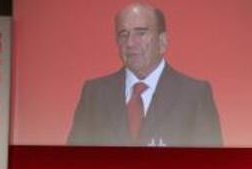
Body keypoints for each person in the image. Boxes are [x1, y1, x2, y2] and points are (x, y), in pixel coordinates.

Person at [68, 2, 222, 147]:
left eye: (140, 33)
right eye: (123, 34)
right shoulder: (94, 93)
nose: (130, 43)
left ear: (162, 42)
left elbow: (210, 165)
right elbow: (73, 162)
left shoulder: (194, 95)